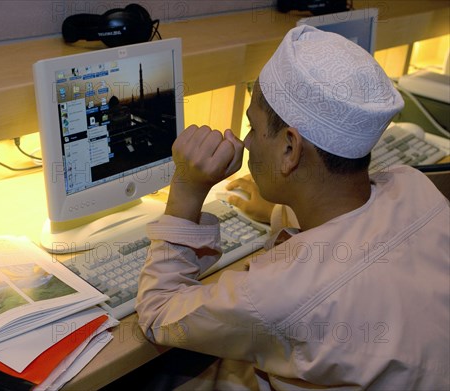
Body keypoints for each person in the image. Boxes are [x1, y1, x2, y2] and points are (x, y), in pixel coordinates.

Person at [135, 25, 450, 390]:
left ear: (290, 149)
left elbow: (157, 313)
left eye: (252, 127)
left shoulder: (278, 294)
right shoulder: (413, 185)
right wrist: (276, 204)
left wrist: (186, 192)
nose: (247, 141)